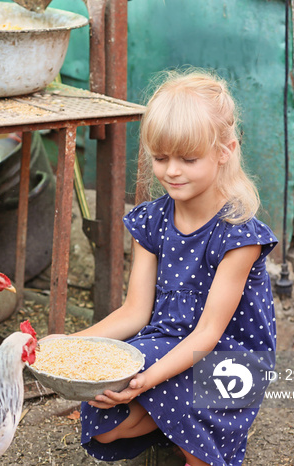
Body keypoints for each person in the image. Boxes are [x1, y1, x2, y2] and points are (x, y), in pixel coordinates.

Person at [67, 69, 278, 466]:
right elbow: (134, 312)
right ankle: (167, 420)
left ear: (225, 151)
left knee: (193, 440)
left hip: (228, 357)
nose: (172, 171)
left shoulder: (239, 235)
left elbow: (209, 334)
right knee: (104, 415)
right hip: (164, 342)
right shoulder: (152, 220)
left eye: (188, 158)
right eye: (160, 158)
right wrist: (70, 346)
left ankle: (191, 440)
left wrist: (147, 379)